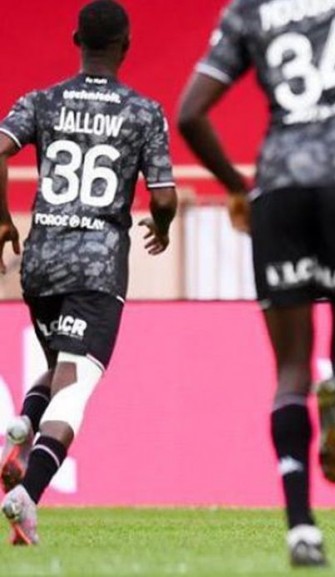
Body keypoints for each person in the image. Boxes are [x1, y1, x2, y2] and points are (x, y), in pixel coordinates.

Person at [177, 0, 335, 567]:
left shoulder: (248, 10)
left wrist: (237, 186)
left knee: (292, 370)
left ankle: (301, 528)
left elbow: (190, 113)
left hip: (279, 190)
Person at [0, 0, 178, 545]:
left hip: (41, 261)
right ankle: (27, 495)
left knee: (62, 367)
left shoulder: (42, 100)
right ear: (127, 46)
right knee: (76, 385)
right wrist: (162, 226)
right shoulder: (143, 112)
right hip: (97, 266)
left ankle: (21, 431)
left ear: (76, 40)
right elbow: (163, 196)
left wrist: (3, 219)